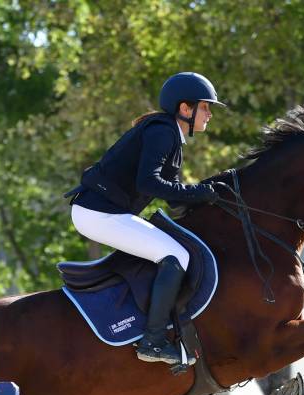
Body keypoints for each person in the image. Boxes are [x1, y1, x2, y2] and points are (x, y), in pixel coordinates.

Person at [65, 72, 226, 369]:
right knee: (175, 255)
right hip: (98, 213)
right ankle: (152, 341)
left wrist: (216, 195)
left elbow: (176, 198)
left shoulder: (171, 136)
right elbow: (149, 183)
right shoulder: (163, 132)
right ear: (185, 109)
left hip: (104, 211)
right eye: (205, 107)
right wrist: (200, 192)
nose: (210, 114)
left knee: (173, 249)